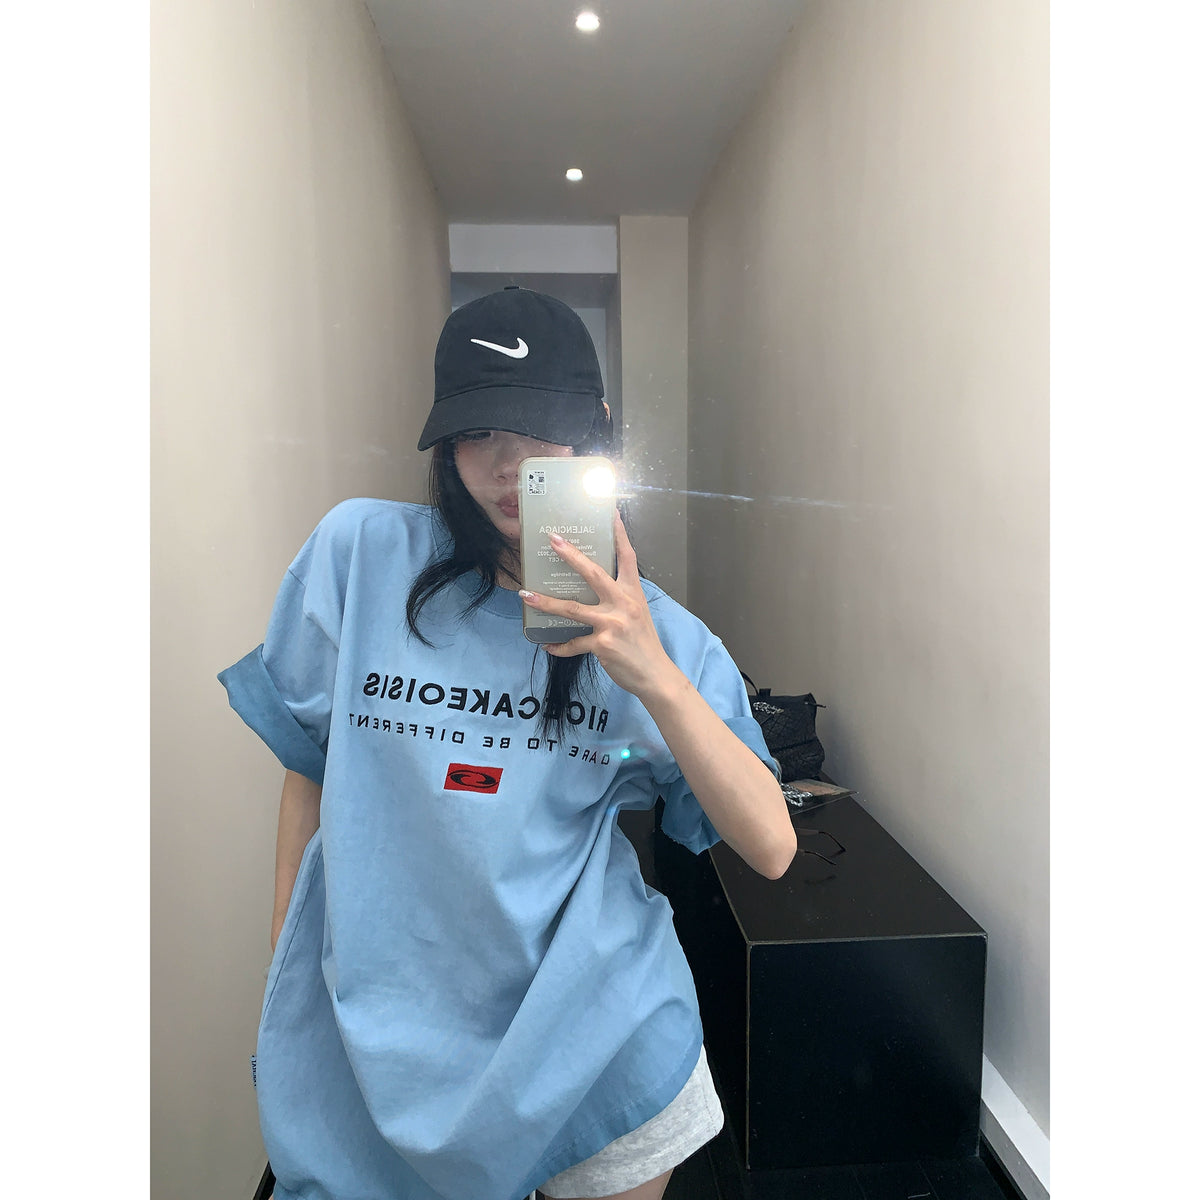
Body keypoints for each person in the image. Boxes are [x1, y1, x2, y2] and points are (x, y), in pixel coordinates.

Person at [219, 286, 796, 1200]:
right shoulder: (360, 557)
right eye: (479, 432)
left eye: (540, 429)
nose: (508, 463)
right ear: (445, 443)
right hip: (388, 1042)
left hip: (598, 1038)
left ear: (594, 430)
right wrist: (286, 961)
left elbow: (770, 845)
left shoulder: (662, 635)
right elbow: (309, 768)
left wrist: (650, 672)